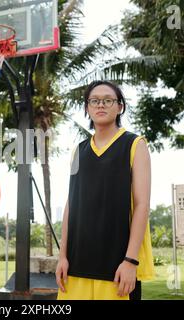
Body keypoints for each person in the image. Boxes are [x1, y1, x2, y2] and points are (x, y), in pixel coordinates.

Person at [56, 80, 155, 300]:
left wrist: (130, 261)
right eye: (94, 101)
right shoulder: (78, 151)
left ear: (120, 106)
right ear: (87, 108)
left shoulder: (135, 144)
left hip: (117, 265)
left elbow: (142, 205)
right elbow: (71, 205)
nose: (101, 105)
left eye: (108, 100)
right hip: (76, 263)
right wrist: (62, 256)